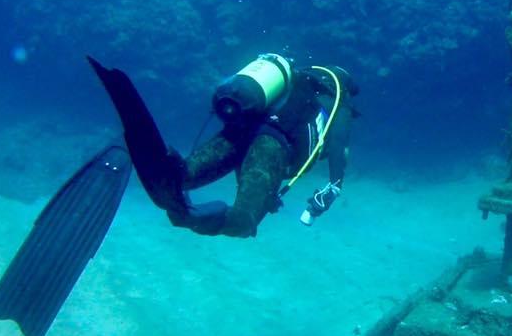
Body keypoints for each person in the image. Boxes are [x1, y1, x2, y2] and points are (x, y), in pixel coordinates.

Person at [90, 53, 359, 238]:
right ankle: (193, 218)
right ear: (342, 88)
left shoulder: (292, 82)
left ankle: (159, 158)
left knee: (182, 175)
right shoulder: (337, 104)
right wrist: (330, 190)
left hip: (240, 130)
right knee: (243, 219)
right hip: (271, 148)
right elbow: (338, 151)